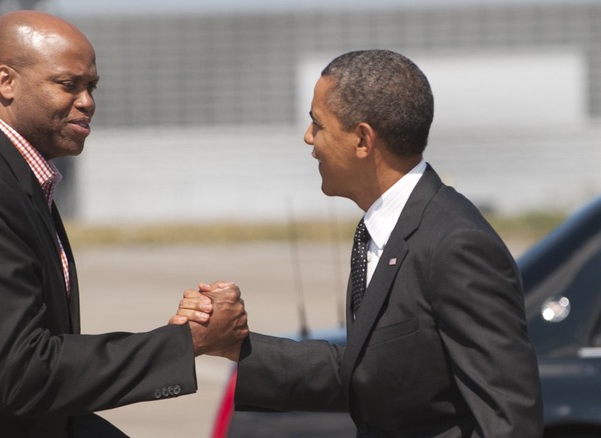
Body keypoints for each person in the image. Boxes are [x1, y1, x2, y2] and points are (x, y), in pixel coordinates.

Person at [0, 11, 247, 438]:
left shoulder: (13, 177)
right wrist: (187, 342)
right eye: (67, 84)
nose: (88, 101)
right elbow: (24, 375)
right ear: (6, 82)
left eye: (91, 86)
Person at [174, 50, 543, 436]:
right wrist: (231, 342)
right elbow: (364, 370)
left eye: (317, 124)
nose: (307, 137)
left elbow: (509, 420)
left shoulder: (455, 244)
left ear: (363, 139)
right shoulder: (383, 230)